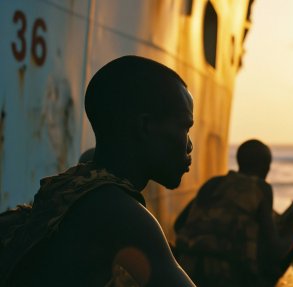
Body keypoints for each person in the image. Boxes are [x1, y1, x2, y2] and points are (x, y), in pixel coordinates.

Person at [0, 56, 196, 286]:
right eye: (184, 127)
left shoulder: (73, 189)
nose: (189, 145)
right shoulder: (117, 210)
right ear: (145, 127)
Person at [174, 139, 293, 287]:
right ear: (265, 167)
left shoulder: (213, 183)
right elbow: (276, 253)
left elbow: (178, 225)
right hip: (229, 280)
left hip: (186, 273)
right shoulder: (260, 188)